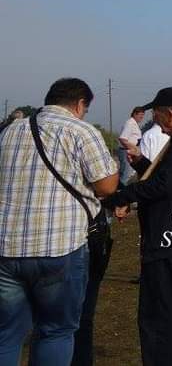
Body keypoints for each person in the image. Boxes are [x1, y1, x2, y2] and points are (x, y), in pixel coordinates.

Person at [0, 78, 118, 366]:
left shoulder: (10, 131)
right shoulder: (81, 131)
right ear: (80, 104)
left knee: (6, 333)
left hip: (6, 246)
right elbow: (106, 187)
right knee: (55, 332)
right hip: (59, 248)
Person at [103, 86, 172, 366]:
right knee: (166, 308)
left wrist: (120, 196)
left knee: (158, 313)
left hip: (169, 236)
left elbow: (167, 185)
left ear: (170, 113)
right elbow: (171, 179)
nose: (155, 119)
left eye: (157, 114)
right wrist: (142, 163)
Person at [118, 106, 146, 185]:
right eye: (140, 115)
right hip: (126, 152)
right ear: (134, 114)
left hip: (129, 152)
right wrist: (134, 148)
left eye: (143, 115)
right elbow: (122, 139)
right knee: (126, 176)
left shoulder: (134, 124)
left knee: (127, 175)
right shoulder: (130, 123)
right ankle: (120, 193)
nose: (142, 117)